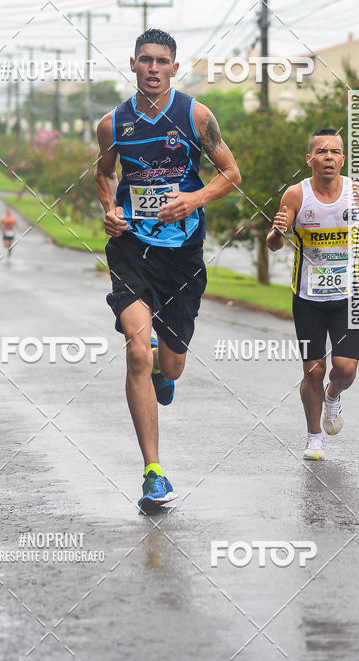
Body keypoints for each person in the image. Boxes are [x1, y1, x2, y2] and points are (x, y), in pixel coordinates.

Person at [95, 28, 241, 510]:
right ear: (132, 65)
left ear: (175, 68)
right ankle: (153, 473)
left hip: (182, 254)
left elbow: (231, 175)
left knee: (169, 364)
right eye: (145, 60)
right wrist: (109, 209)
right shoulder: (112, 123)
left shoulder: (195, 116)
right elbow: (104, 172)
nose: (153, 68)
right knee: (138, 351)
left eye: (162, 61)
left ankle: (166, 368)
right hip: (132, 248)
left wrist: (193, 199)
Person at [267, 128, 359, 461]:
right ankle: (314, 438)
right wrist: (277, 231)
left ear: (343, 158)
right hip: (308, 298)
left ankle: (333, 396)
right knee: (313, 370)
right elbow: (273, 244)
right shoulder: (296, 195)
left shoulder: (358, 194)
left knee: (344, 369)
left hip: (348, 297)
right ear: (309, 158)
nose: (329, 157)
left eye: (336, 152)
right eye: (322, 151)